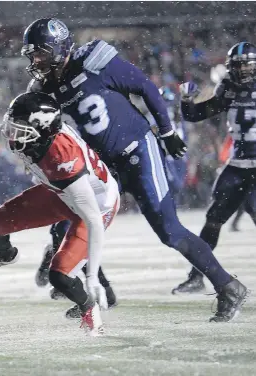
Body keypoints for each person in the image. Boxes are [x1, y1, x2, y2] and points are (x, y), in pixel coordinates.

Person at [19, 17, 247, 322]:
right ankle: (100, 293)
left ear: (59, 48)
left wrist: (166, 132)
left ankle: (229, 287)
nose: (36, 60)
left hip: (138, 150)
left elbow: (145, 87)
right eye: (33, 54)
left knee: (170, 231)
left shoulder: (93, 60)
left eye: (41, 53)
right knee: (67, 224)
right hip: (103, 165)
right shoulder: (44, 88)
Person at [0, 82, 120, 336]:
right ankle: (6, 255)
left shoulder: (63, 158)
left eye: (20, 129)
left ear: (42, 131)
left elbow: (94, 220)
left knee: (60, 276)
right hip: (59, 191)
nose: (11, 134)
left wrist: (93, 276)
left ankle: (89, 307)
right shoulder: (34, 135)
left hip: (95, 205)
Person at [172, 42, 256, 295]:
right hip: (238, 165)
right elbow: (197, 114)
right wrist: (187, 100)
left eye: (246, 65)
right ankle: (196, 276)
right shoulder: (228, 88)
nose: (242, 70)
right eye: (237, 65)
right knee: (213, 221)